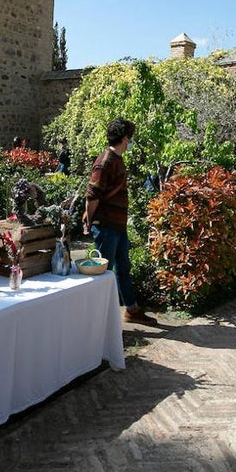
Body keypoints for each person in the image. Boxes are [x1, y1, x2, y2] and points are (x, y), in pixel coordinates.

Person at [82, 118, 156, 325]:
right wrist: (89, 221)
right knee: (103, 272)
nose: (130, 142)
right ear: (124, 138)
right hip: (105, 226)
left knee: (123, 268)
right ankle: (99, 320)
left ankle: (131, 310)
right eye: (129, 138)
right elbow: (92, 195)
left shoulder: (116, 159)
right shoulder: (105, 161)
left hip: (117, 225)